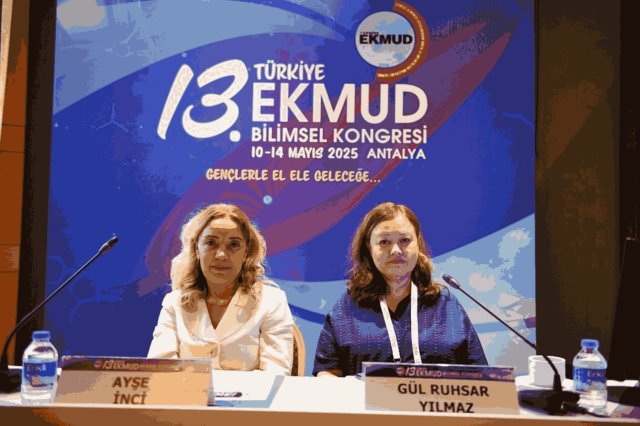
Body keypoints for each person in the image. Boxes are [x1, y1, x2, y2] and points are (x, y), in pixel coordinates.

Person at [313, 202, 487, 377]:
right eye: (384, 242)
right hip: (365, 396)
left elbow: (481, 376)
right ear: (369, 247)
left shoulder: (446, 305)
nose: (396, 250)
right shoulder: (346, 309)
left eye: (404, 240)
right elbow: (326, 374)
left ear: (417, 243)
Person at [148, 203, 294, 375]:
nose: (221, 255)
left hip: (250, 395)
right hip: (187, 393)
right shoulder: (174, 303)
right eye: (211, 243)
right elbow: (160, 371)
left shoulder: (272, 301)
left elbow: (276, 373)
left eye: (233, 245)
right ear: (196, 248)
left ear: (246, 251)